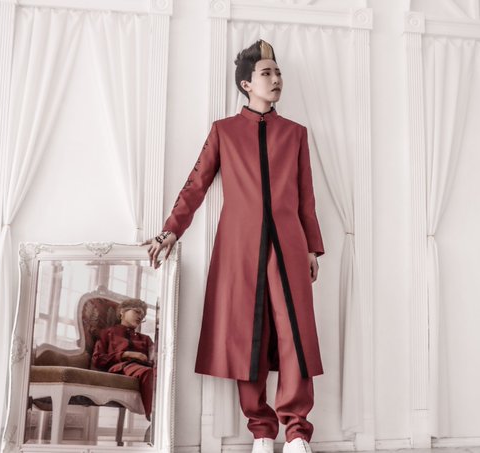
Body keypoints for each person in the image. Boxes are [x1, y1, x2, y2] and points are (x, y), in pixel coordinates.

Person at [146, 39, 324, 453]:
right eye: (266, 73)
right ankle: (261, 431)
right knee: (248, 337)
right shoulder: (223, 131)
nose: (276, 79)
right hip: (239, 248)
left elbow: (306, 197)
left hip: (289, 246)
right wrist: (170, 231)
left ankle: (297, 433)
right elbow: (196, 185)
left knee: (295, 337)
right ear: (246, 84)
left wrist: (312, 248)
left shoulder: (295, 134)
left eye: (278, 73)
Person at [91, 298, 155, 422]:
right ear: (122, 312)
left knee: (162, 375)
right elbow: (98, 359)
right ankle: (152, 418)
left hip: (144, 367)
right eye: (137, 311)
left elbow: (156, 359)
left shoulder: (146, 339)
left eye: (143, 316)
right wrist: (127, 354)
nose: (140, 317)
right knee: (148, 372)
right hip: (121, 368)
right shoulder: (107, 333)